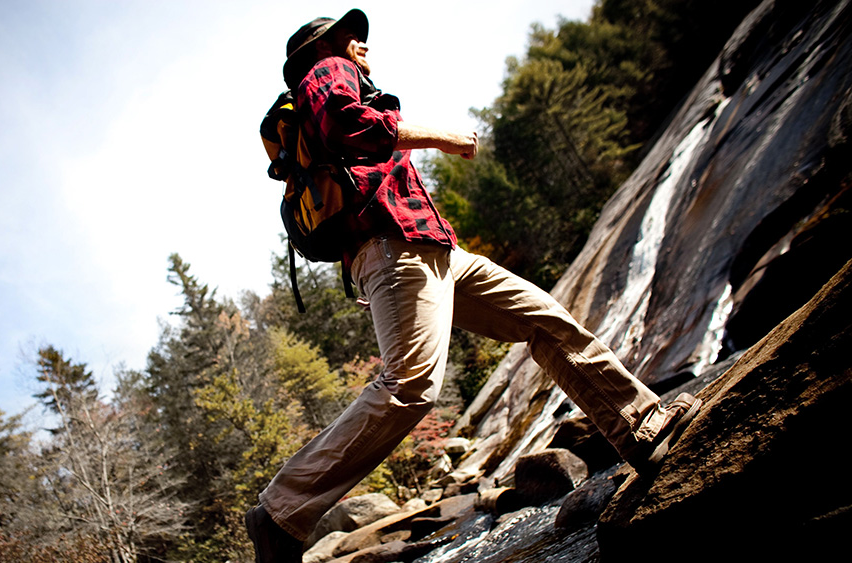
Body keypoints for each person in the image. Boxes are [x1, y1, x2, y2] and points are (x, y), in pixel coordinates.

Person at [246, 9, 701, 562]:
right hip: (395, 249)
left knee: (544, 319)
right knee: (410, 385)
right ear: (330, 45)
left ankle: (643, 426)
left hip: (436, 251)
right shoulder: (326, 71)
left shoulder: (340, 78)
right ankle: (280, 511)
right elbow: (353, 127)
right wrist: (445, 138)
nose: (362, 44)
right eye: (352, 36)